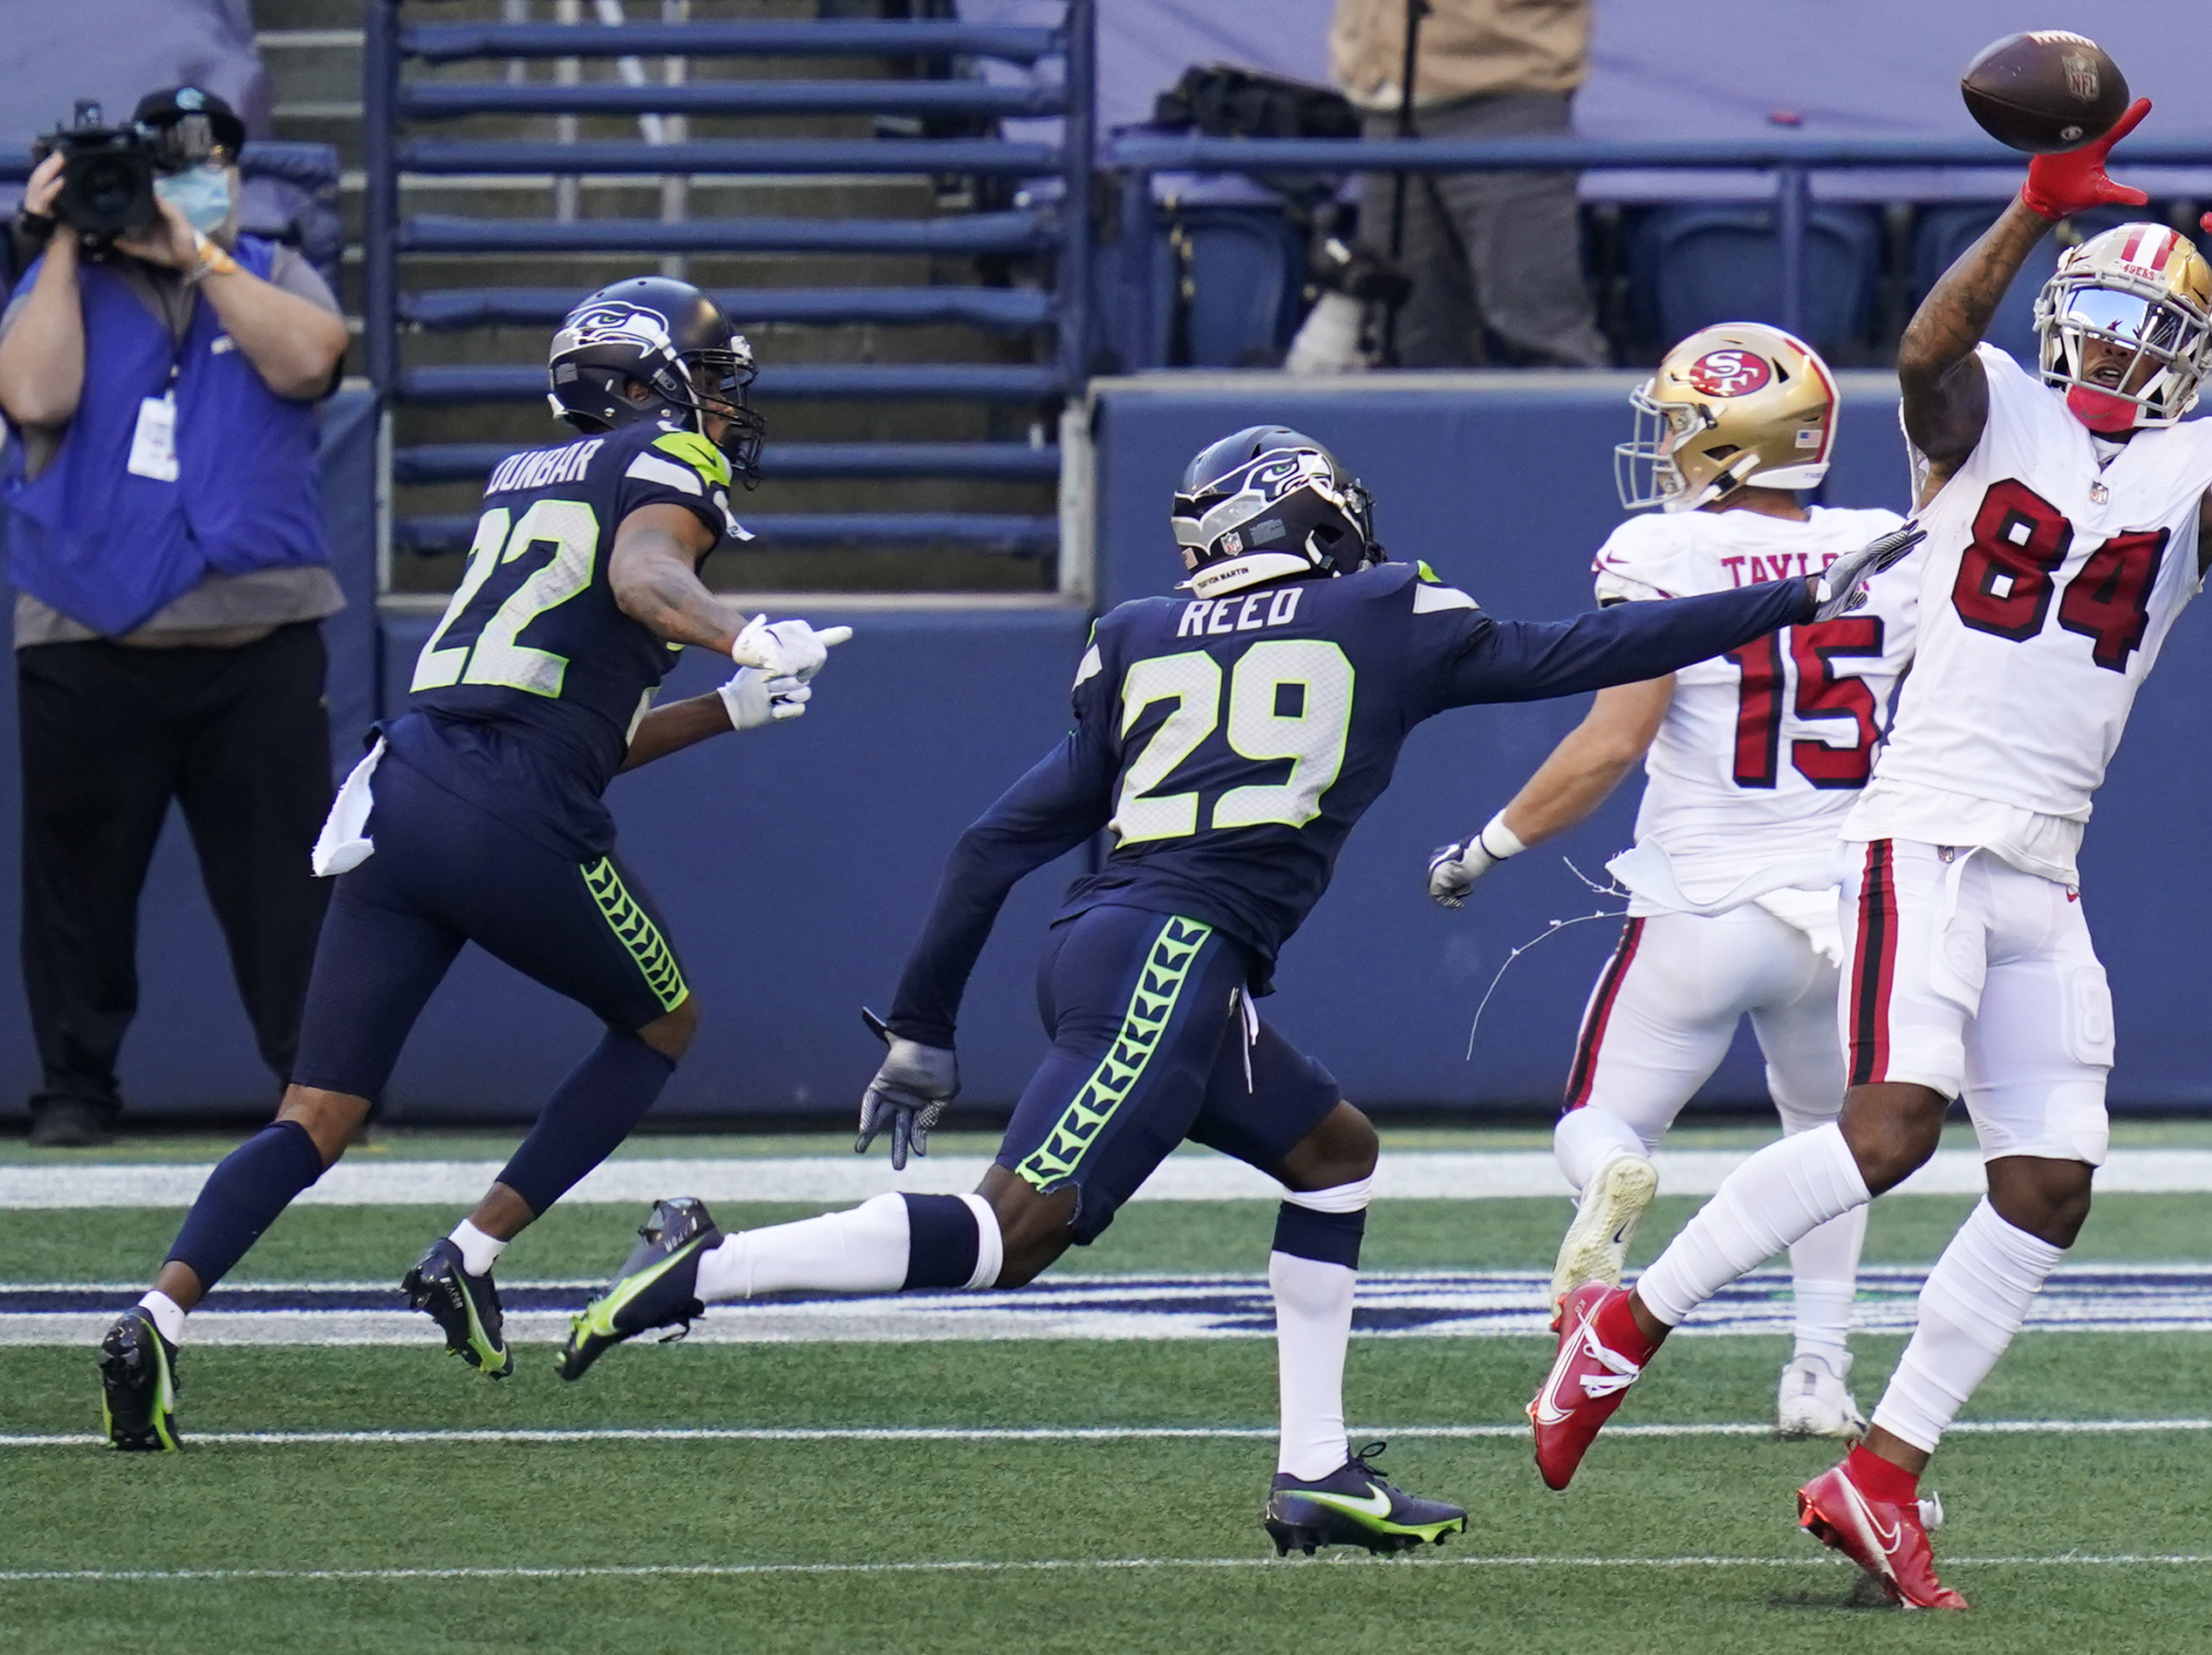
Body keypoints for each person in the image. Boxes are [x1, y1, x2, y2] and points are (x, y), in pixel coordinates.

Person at [554, 424, 1916, 1554]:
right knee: (1006, 1234)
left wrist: (922, 1022)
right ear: (1314, 521)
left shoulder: (1143, 632)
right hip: (1170, 953)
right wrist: (1796, 598)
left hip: (1132, 939)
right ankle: (702, 1269)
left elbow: (993, 843)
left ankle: (1314, 1471)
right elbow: (1583, 652)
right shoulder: (1388, 613)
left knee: (1333, 1154)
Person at [1526, 105, 2212, 1610]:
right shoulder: (1990, 411)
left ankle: (1880, 1471)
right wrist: (2032, 205)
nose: (2111, 350)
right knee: (1889, 1131)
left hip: (2044, 858)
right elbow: (1922, 351)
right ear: (2058, 322)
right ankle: (1623, 1327)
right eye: (2093, 317)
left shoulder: (2208, 464)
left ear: (2190, 355)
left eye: (2146, 330)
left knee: (2048, 1181)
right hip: (1926, 827)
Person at [92, 277, 847, 1451]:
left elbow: (568, 723)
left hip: (408, 787)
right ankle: (470, 1250)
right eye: (712, 375)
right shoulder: (661, 465)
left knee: (317, 1110)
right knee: (662, 1025)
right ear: (648, 381)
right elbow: (644, 579)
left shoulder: (522, 475)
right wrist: (740, 632)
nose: (726, 401)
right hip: (511, 806)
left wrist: (729, 709)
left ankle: (158, 1312)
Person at [1424, 323, 1919, 1437]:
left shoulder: (1663, 551)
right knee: (1826, 1145)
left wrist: (1484, 848)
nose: (1666, 444)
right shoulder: (1887, 543)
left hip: (1705, 904)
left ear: (1736, 442)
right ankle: (1817, 1373)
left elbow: (1609, 744)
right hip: (1843, 912)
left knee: (1599, 1123)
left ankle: (1615, 1180)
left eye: (1685, 424)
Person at [0, 87, 348, 1148]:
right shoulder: (54, 281)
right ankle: (76, 1086)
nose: (181, 186)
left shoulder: (273, 269)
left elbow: (311, 359)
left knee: (291, 885)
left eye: (208, 166)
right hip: (90, 636)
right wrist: (63, 242)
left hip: (259, 640)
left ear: (236, 179)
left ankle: (315, 1084)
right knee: (78, 894)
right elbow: (33, 398)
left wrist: (198, 252)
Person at [1327, 0, 1608, 367]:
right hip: (1383, 101)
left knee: (1535, 324)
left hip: (1506, 93)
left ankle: (1573, 425)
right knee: (1408, 333)